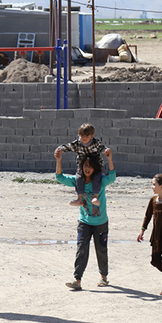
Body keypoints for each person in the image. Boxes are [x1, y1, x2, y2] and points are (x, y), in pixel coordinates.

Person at [54, 147, 115, 291]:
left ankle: (103, 277)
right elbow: (60, 177)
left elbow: (112, 177)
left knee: (101, 250)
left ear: (95, 168)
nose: (87, 168)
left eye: (90, 166)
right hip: (84, 222)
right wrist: (59, 161)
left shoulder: (100, 181)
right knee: (81, 249)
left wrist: (110, 159)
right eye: (85, 165)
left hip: (100, 223)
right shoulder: (78, 181)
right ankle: (77, 280)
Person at [60, 124, 111, 208]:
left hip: (95, 167)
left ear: (92, 136)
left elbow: (101, 148)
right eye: (82, 135)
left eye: (87, 135)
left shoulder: (95, 143)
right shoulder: (77, 144)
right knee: (79, 178)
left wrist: (106, 151)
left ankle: (95, 197)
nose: (84, 137)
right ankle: (80, 199)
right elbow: (68, 146)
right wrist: (60, 149)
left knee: (97, 178)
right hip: (83, 167)